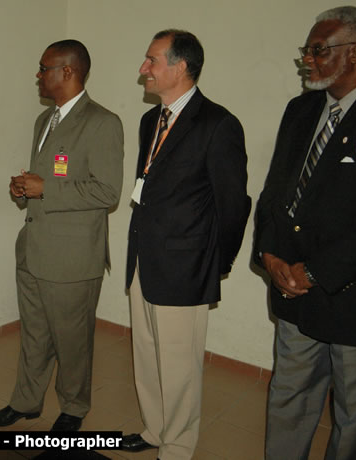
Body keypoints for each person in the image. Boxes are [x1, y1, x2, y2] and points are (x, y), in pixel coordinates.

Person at [254, 6, 356, 460]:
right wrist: (270, 256)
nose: (307, 60)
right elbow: (273, 193)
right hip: (293, 290)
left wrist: (316, 271)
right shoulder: (302, 109)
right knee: (289, 400)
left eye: (318, 50)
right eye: (306, 51)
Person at [0, 40, 124, 432]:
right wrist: (24, 188)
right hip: (34, 249)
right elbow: (48, 180)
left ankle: (74, 408)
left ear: (68, 71)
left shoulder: (103, 122)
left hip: (73, 258)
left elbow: (108, 191)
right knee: (34, 334)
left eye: (44, 68)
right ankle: (25, 402)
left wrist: (45, 189)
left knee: (72, 341)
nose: (38, 76)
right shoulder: (44, 121)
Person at [122, 30, 250, 459]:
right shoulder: (149, 121)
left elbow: (233, 205)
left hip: (185, 268)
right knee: (146, 354)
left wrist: (215, 264)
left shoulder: (218, 124)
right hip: (143, 260)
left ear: (180, 67)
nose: (144, 69)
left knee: (179, 365)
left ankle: (177, 446)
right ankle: (156, 428)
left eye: (152, 61)